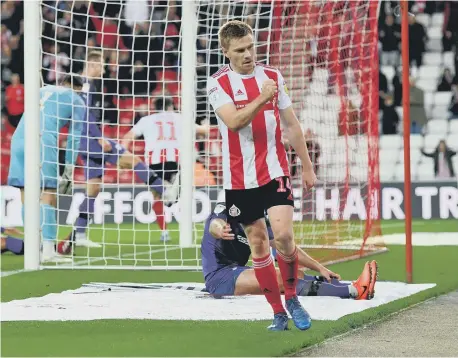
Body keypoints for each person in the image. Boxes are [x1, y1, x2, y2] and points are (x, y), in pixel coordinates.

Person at [206, 20, 317, 331]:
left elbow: (292, 125)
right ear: (225, 51)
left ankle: (292, 296)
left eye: (251, 47)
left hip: (275, 170)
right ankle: (277, 311)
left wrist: (306, 166)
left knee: (282, 235)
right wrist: (261, 98)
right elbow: (235, 122)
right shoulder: (217, 84)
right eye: (240, 50)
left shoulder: (272, 77)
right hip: (239, 178)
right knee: (258, 244)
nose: (248, 55)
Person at [66, 52, 175, 248]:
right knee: (132, 160)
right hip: (91, 139)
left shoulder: (88, 85)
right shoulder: (86, 85)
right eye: (101, 65)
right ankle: (164, 190)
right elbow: (84, 115)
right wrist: (98, 136)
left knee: (93, 189)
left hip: (82, 142)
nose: (104, 69)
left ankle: (79, 233)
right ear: (91, 65)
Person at [202, 203, 378, 300]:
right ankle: (354, 291)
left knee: (296, 273)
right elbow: (214, 224)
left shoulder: (258, 217)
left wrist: (319, 268)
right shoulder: (227, 207)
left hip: (236, 272)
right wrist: (221, 229)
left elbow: (284, 247)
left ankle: (345, 285)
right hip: (219, 276)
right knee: (281, 279)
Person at [7, 74, 86, 262]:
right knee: (48, 195)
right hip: (42, 141)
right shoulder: (77, 100)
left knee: (27, 196)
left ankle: (34, 249)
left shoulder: (42, 90)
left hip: (19, 139)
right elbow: (74, 138)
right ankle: (49, 250)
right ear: (78, 89)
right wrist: (68, 170)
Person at [121, 97, 209, 241]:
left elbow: (127, 137)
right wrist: (206, 123)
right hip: (175, 161)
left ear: (155, 107)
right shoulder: (180, 118)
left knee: (156, 197)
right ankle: (171, 195)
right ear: (171, 106)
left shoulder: (146, 120)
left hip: (153, 163)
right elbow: (203, 132)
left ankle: (164, 232)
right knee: (179, 194)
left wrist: (122, 155)